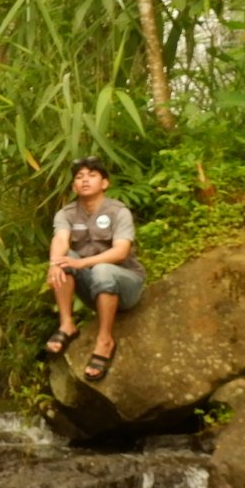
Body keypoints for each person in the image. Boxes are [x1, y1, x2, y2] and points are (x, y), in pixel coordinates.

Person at [43, 156, 147, 383]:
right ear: (73, 186)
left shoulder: (119, 212)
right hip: (94, 287)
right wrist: (54, 262)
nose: (85, 180)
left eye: (92, 175)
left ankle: (105, 340)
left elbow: (120, 252)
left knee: (101, 269)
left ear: (105, 183)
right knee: (63, 258)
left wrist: (82, 263)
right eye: (79, 177)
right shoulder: (66, 213)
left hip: (127, 285)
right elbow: (60, 239)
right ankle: (67, 324)